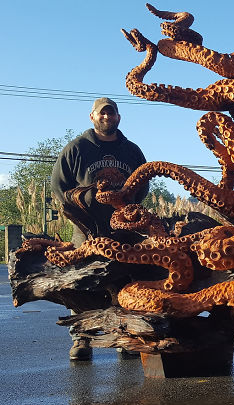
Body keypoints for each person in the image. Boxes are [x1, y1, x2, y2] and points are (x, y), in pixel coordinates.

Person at [51, 97, 148, 360]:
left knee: (124, 284)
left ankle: (124, 337)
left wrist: (128, 210)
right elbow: (59, 187)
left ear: (118, 117)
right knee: (81, 284)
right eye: (102, 113)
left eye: (112, 113)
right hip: (87, 231)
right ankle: (81, 339)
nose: (107, 117)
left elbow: (143, 184)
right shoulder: (77, 148)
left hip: (123, 230)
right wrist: (81, 208)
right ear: (92, 117)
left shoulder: (131, 151)